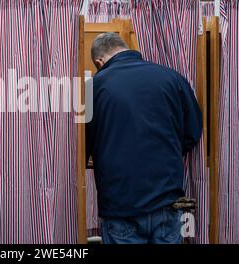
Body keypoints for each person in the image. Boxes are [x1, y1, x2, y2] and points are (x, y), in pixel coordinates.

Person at [86, 32, 202, 244]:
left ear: (98, 62)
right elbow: (192, 132)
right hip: (167, 201)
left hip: (120, 205)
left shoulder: (94, 86)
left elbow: (83, 144)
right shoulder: (172, 77)